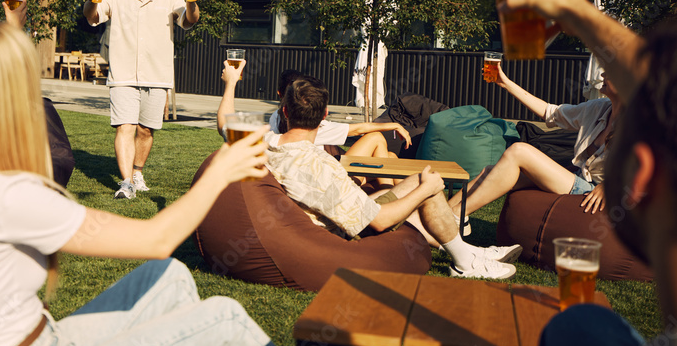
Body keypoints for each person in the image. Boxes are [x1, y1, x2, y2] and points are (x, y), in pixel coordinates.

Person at [0, 20, 296, 346]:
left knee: (169, 275)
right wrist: (221, 170)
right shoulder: (6, 191)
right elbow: (156, 238)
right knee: (223, 318)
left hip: (36, 341)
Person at [500, 0, 676, 346]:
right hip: (577, 185)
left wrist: (576, 12)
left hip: (587, 191)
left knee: (521, 152)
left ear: (641, 174)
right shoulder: (596, 110)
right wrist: (578, 13)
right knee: (580, 322)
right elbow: (552, 113)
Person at [218, 67, 521, 279]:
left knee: (421, 179)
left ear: (283, 111)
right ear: (324, 116)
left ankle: (468, 252)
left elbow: (225, 124)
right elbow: (379, 221)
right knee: (427, 186)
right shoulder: (321, 166)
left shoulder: (264, 141)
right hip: (346, 228)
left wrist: (231, 82)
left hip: (329, 209)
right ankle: (467, 261)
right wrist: (426, 190)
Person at [83, 0, 201, 199]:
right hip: (123, 75)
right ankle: (126, 183)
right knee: (125, 126)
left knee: (146, 130)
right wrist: (90, 1)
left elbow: (190, 20)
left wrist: (191, 2)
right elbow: (92, 17)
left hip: (157, 77)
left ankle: (137, 172)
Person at [448, 63, 620, 224]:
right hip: (578, 178)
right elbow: (550, 112)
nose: (602, 74)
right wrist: (505, 83)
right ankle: (444, 214)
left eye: (610, 72)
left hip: (592, 193)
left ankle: (456, 217)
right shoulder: (599, 108)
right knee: (490, 170)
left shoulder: (639, 124)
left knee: (519, 151)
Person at [268, 68, 412, 157]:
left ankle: (390, 192)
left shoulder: (274, 122)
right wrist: (395, 125)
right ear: (324, 114)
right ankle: (390, 194)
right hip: (332, 177)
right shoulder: (313, 128)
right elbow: (358, 129)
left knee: (391, 156)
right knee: (376, 138)